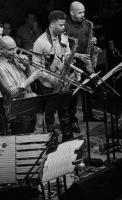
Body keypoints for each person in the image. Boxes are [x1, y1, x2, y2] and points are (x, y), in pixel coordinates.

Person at [32, 10, 74, 141]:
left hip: (62, 80)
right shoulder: (40, 42)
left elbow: (67, 56)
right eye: (60, 25)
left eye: (64, 25)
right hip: (48, 83)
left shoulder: (64, 38)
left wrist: (70, 71)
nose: (63, 28)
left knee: (64, 111)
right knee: (49, 114)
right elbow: (36, 66)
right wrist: (51, 78)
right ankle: (52, 140)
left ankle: (68, 137)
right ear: (52, 24)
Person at [65, 1, 104, 134]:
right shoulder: (65, 26)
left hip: (86, 59)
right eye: (80, 12)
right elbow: (62, 49)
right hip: (73, 63)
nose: (83, 15)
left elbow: (89, 38)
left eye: (84, 12)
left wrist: (93, 42)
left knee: (89, 88)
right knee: (73, 94)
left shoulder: (87, 23)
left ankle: (88, 113)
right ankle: (72, 120)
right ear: (72, 13)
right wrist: (76, 55)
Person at [0, 36, 43, 135]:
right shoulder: (1, 67)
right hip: (17, 111)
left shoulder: (16, 61)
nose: (14, 52)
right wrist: (32, 78)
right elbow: (13, 92)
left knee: (30, 137)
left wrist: (27, 66)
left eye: (15, 48)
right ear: (1, 49)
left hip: (29, 105)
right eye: (10, 50)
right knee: (21, 139)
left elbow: (30, 81)